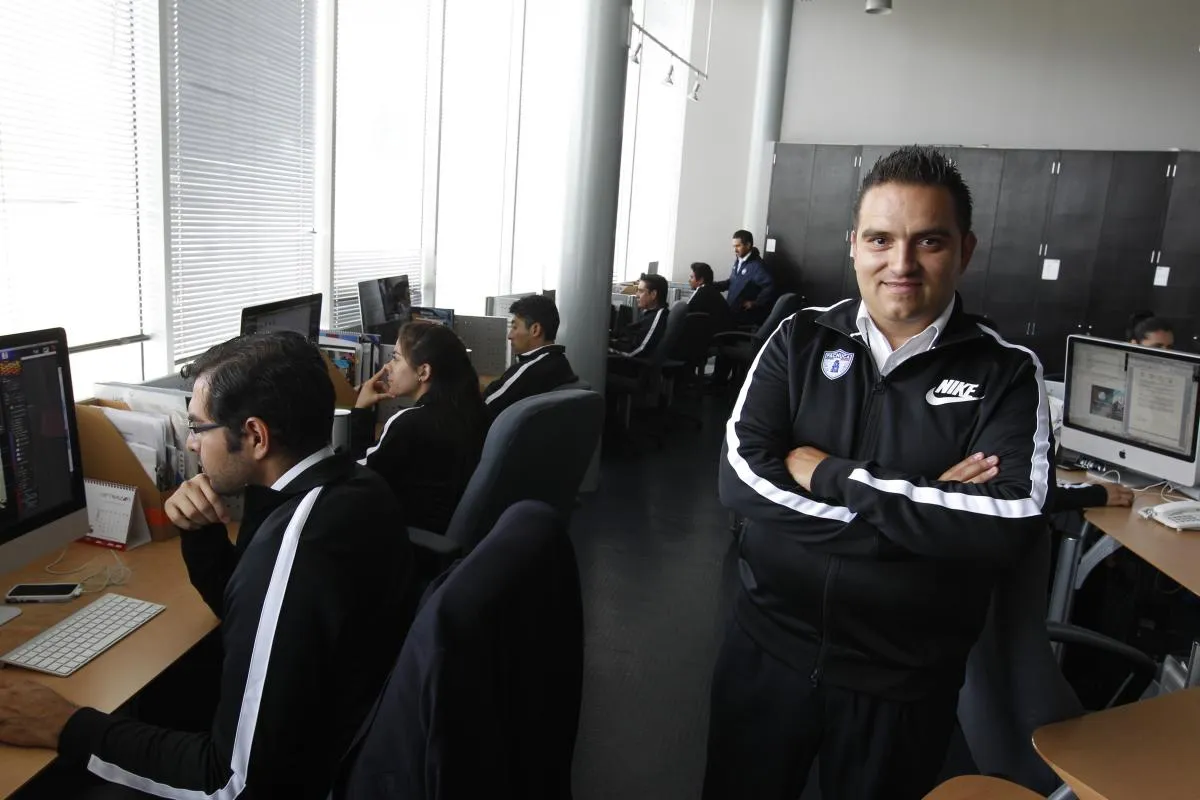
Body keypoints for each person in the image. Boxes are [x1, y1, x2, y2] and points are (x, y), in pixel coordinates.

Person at [706, 146, 1054, 800]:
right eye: (880, 239)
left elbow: (1012, 520)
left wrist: (830, 475)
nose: (901, 263)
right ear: (854, 247)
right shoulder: (799, 339)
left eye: (929, 241)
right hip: (767, 649)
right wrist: (926, 514)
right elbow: (740, 478)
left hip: (904, 683)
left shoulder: (1007, 372)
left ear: (965, 250)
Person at [0, 332, 412, 798]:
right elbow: (247, 614)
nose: (193, 445)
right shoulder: (348, 487)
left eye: (198, 427)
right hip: (338, 734)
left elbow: (231, 784)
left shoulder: (297, 547)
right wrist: (201, 533)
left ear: (255, 436)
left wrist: (64, 725)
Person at [355, 320, 486, 533]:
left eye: (396, 358)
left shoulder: (409, 423)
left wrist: (360, 410)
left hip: (404, 538)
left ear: (423, 372)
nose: (388, 367)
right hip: (444, 531)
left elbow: (356, 478)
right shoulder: (475, 411)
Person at [483, 294, 577, 422]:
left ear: (535, 330)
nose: (510, 335)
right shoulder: (558, 361)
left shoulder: (529, 370)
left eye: (515, 327)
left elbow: (483, 407)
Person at [713, 229, 776, 326]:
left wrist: (756, 303)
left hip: (742, 318)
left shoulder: (757, 266)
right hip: (731, 311)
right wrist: (711, 285)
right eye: (734, 246)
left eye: (738, 246)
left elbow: (770, 286)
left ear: (748, 245)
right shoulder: (739, 260)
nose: (735, 250)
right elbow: (732, 282)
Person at [609, 273, 670, 358]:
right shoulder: (649, 313)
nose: (637, 295)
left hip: (629, 362)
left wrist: (607, 346)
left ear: (653, 294)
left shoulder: (657, 318)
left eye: (641, 291)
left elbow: (637, 351)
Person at [687, 262, 734, 335]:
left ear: (701, 280)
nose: (689, 280)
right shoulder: (709, 289)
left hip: (718, 336)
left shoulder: (702, 292)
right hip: (721, 332)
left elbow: (687, 312)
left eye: (692, 277)